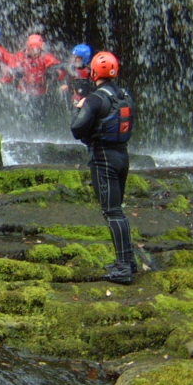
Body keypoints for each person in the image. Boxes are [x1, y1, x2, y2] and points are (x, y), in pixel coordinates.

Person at [70, 51, 136, 284]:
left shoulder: (96, 99)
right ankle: (129, 260)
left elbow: (77, 130)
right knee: (117, 210)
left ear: (94, 72)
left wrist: (79, 106)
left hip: (103, 158)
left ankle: (123, 267)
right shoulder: (124, 94)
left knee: (112, 212)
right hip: (122, 156)